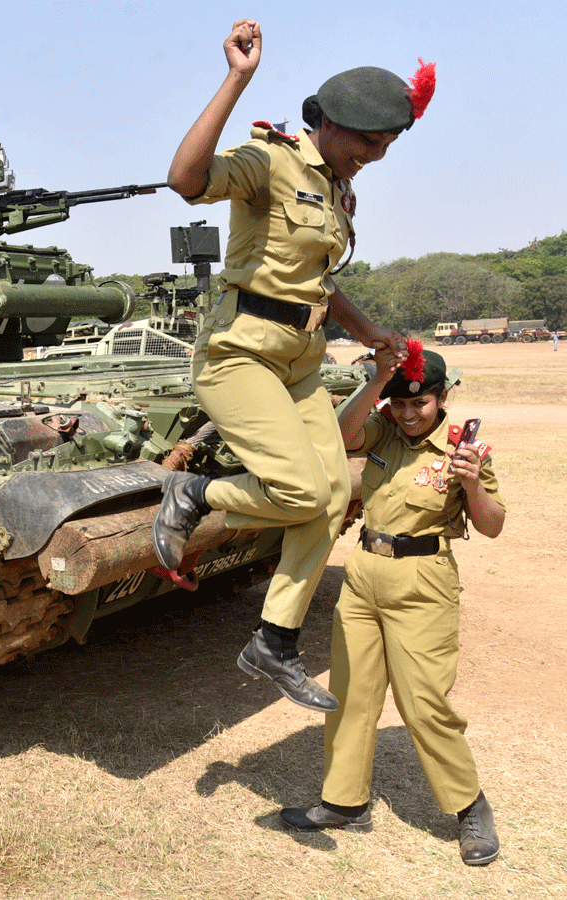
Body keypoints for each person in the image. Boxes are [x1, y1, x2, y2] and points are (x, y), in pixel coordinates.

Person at [152, 20, 434, 712]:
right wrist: (237, 78)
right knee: (303, 494)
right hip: (240, 354)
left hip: (301, 363)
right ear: (329, 122)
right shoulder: (270, 161)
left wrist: (371, 334)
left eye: (388, 143)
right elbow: (185, 180)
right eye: (368, 140)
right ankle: (195, 496)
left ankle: (273, 641)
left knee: (332, 495)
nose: (377, 154)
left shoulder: (336, 187)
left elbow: (318, 283)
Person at [279, 346, 505, 866]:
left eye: (419, 403)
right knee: (352, 694)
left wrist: (471, 483)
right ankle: (344, 802)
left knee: (424, 703)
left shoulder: (462, 450)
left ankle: (469, 807)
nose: (408, 413)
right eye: (399, 403)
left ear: (442, 398)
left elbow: (492, 525)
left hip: (422, 583)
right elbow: (341, 435)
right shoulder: (382, 428)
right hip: (362, 577)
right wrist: (377, 380)